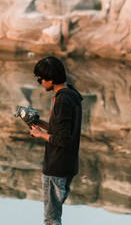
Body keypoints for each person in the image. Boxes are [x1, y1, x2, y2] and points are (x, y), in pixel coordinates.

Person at [30, 56, 83, 225]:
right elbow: (61, 130)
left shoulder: (61, 100)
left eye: (40, 79)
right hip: (68, 165)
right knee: (53, 216)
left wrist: (40, 134)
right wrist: (38, 123)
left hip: (56, 168)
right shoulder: (72, 95)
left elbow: (62, 140)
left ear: (50, 80)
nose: (40, 82)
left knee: (51, 219)